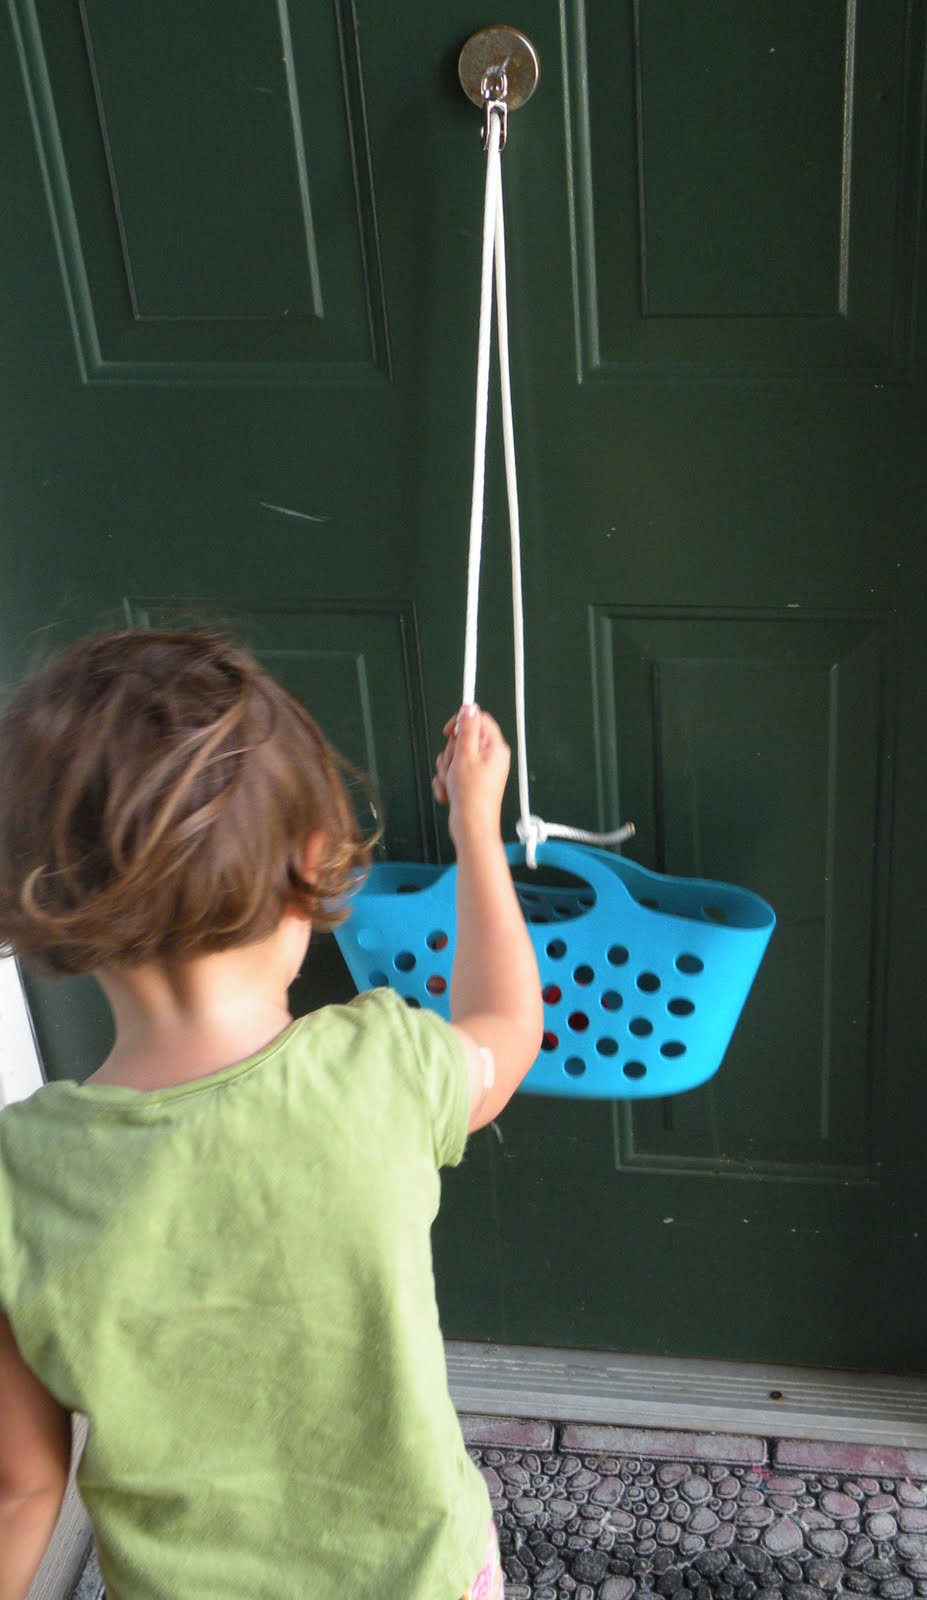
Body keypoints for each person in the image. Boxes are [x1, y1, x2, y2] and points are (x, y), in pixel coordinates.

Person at [0, 629, 543, 1599]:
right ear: (316, 858)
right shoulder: (384, 1070)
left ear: (52, 903)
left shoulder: (16, 1178)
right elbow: (506, 1021)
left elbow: (23, 1488)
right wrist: (474, 827)